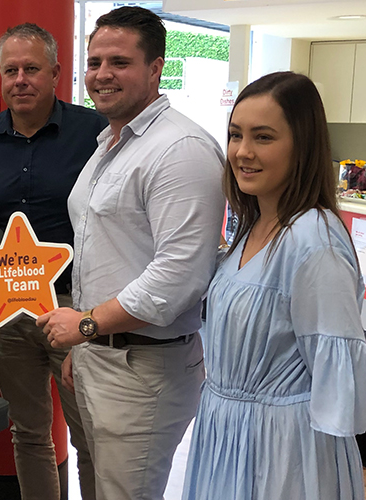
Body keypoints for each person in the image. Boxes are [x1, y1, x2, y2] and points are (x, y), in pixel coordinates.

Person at [37, 6, 225, 500]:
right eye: (94, 61)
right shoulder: (111, 143)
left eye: (119, 61)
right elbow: (101, 249)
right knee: (101, 488)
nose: (102, 74)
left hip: (145, 370)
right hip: (103, 355)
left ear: (156, 67)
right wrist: (88, 343)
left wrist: (88, 323)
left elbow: (180, 274)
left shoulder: (180, 149)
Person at [182, 72, 366, 499]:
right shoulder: (254, 227)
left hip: (283, 452)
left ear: (301, 146)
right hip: (226, 433)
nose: (242, 152)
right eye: (235, 135)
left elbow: (340, 371)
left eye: (263, 137)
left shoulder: (312, 239)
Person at [0, 21, 106, 500]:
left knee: (91, 437)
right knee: (30, 433)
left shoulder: (95, 133)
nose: (20, 79)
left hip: (77, 308)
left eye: (31, 69)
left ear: (56, 73)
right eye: (10, 70)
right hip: (10, 311)